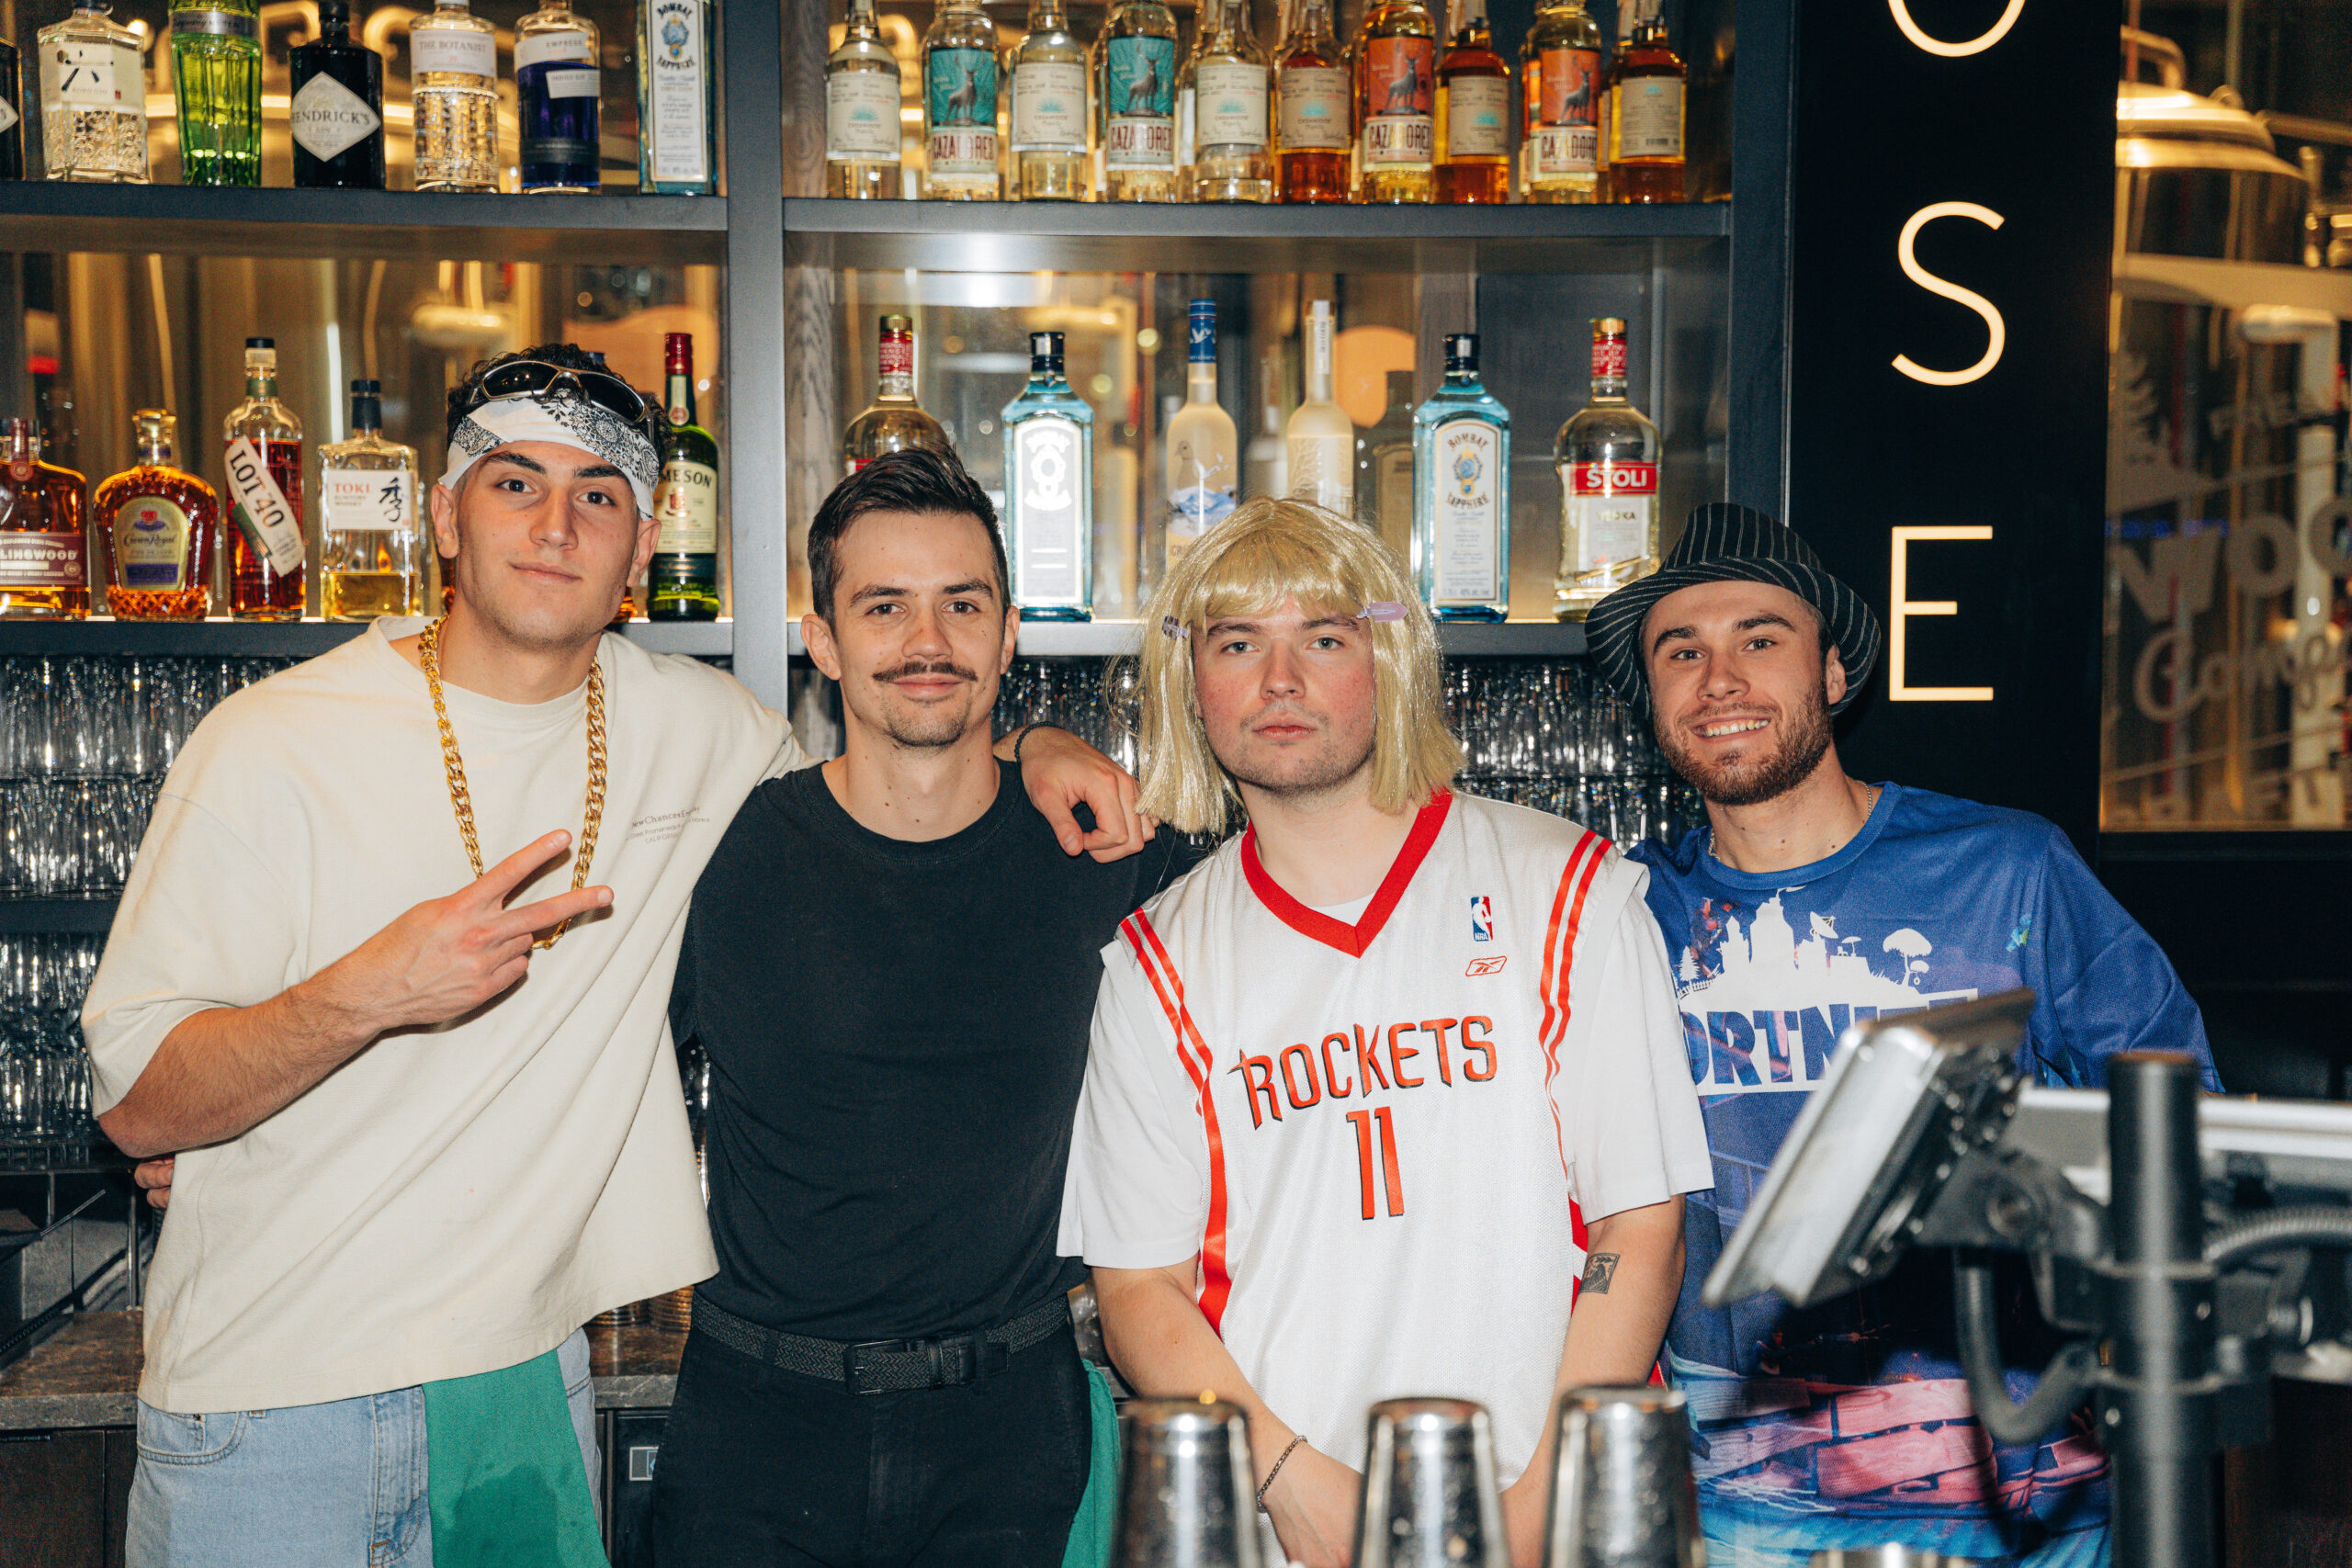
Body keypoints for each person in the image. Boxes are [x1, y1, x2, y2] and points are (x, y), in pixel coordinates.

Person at [85, 346, 1144, 1568]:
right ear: (444, 516)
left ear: (643, 547)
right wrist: (368, 993)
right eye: (515, 484)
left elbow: (908, 765)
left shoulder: (703, 732)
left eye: (597, 495)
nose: (555, 526)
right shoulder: (271, 740)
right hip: (276, 1400)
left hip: (523, 1382)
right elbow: (139, 1106)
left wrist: (1043, 746)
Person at [1061, 498, 1714, 1568]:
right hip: (1287, 1528)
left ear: (1392, 661)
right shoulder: (1153, 964)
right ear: (1189, 681)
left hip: (1556, 1514)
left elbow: (1637, 1228)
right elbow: (1139, 1288)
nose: (1280, 680)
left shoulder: (1569, 891)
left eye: (1323, 639)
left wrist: (1541, 1500)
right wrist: (1290, 1483)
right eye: (1238, 643)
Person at [1586, 502, 2221, 1568]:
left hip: (2031, 1518)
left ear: (1833, 671)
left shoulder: (2007, 869)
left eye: (1760, 640)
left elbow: (2178, 1119)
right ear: (1651, 699)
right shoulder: (1622, 910)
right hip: (1745, 1521)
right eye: (1680, 652)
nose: (1719, 679)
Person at [646, 450, 1200, 1568]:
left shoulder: (1106, 855)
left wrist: (1040, 745)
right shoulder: (724, 860)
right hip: (755, 1428)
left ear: (1008, 636)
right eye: (884, 606)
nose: (928, 640)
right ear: (823, 642)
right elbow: (557, 1063)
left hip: (1010, 1430)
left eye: (963, 604)